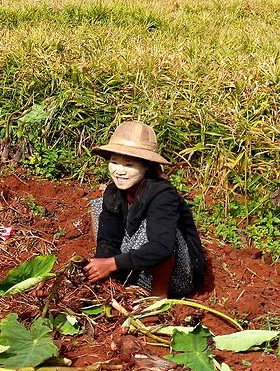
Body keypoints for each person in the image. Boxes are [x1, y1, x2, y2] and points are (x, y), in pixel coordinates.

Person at [83, 121, 206, 297]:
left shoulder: (163, 194)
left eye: (129, 165)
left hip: (176, 276)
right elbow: (108, 239)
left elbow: (162, 247)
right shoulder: (114, 190)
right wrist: (104, 265)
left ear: (146, 165)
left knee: (155, 229)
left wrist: (111, 264)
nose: (119, 171)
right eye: (115, 162)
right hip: (137, 265)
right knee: (99, 205)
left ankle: (158, 297)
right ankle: (117, 281)